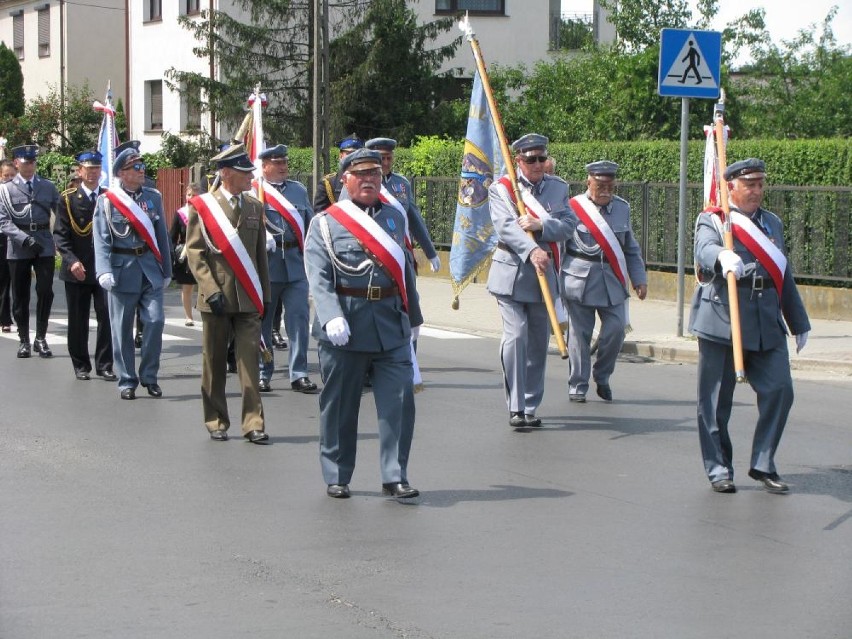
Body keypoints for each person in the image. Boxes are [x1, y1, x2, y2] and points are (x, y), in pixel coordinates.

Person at [304, 148, 423, 499]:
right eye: (362, 174)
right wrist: (331, 316)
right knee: (340, 405)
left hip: (390, 323)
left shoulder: (394, 218)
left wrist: (414, 317)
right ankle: (338, 474)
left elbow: (404, 271)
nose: (370, 179)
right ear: (346, 180)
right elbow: (318, 275)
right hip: (346, 324)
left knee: (399, 401)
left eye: (375, 173)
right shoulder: (325, 222)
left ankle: (394, 474)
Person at [689, 158, 811, 494]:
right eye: (749, 185)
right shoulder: (713, 220)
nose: (756, 191)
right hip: (723, 319)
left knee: (780, 390)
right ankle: (718, 469)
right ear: (731, 187)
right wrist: (720, 256)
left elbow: (782, 274)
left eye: (760, 184)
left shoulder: (772, 223)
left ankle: (763, 462)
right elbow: (703, 249)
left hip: (765, 320)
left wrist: (798, 321)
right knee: (714, 402)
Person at [487, 134, 574, 428]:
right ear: (518, 161)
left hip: (543, 274)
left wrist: (542, 226)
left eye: (541, 158)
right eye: (530, 159)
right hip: (511, 272)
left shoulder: (558, 188)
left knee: (537, 342)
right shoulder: (501, 190)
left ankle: (530, 404)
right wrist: (532, 249)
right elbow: (505, 228)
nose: (537, 164)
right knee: (517, 336)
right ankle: (515, 405)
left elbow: (568, 226)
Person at [185, 144, 271, 444]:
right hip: (217, 297)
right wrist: (210, 290)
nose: (250, 177)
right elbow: (195, 253)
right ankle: (216, 420)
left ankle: (253, 423)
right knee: (215, 362)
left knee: (249, 362)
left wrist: (266, 296)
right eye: (245, 172)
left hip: (247, 297)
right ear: (226, 173)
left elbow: (260, 257)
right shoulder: (202, 206)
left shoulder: (254, 206)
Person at [561, 161, 647, 403]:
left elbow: (630, 248)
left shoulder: (622, 208)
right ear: (589, 182)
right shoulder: (572, 207)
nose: (606, 190)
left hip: (611, 280)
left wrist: (639, 278)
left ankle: (602, 375)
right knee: (579, 335)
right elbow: (560, 245)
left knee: (617, 329)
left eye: (610, 185)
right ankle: (578, 384)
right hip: (579, 280)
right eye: (601, 185)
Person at [93, 146, 172, 400]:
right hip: (122, 269)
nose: (142, 171)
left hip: (150, 269)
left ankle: (149, 376)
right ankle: (127, 379)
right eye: (136, 168)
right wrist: (103, 270)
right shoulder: (107, 201)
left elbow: (162, 237)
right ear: (122, 173)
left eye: (142, 166)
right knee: (122, 328)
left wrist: (167, 270)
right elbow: (102, 239)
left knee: (155, 321)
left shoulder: (153, 197)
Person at [254, 144, 318, 394]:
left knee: (299, 320)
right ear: (265, 166)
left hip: (295, 263)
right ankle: (263, 371)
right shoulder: (254, 191)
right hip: (268, 265)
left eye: (284, 162)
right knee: (263, 323)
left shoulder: (298, 191)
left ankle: (299, 373)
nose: (283, 167)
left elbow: (310, 225)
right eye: (277, 163)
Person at [53, 150, 115, 381]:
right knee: (77, 320)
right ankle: (80, 364)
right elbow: (60, 235)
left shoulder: (109, 197)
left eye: (96, 169)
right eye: (88, 169)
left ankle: (105, 364)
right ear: (80, 171)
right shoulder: (68, 198)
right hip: (76, 270)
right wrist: (71, 261)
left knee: (106, 317)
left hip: (102, 270)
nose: (92, 174)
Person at [0, 145, 60, 358]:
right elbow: (3, 221)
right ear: (16, 163)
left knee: (45, 290)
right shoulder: (6, 189)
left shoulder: (47, 186)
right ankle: (24, 340)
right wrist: (24, 239)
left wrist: (60, 240)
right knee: (20, 295)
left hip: (44, 242)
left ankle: (41, 338)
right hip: (18, 246)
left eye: (33, 162)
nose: (30, 165)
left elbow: (60, 214)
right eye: (25, 162)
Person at [365, 137, 441, 274]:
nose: (386, 163)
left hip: (401, 253)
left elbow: (415, 220)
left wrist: (430, 252)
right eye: (382, 158)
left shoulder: (401, 184)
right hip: (373, 255)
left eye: (389, 158)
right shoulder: (361, 184)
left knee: (410, 295)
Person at [170, 183, 200, 326]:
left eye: (194, 195)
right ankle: (189, 316)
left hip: (202, 253)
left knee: (206, 286)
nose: (191, 198)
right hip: (186, 254)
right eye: (189, 195)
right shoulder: (180, 213)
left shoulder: (206, 213)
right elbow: (172, 236)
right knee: (187, 287)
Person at [313, 133, 363, 213]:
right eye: (349, 154)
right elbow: (320, 216)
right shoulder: (328, 183)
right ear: (340, 156)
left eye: (357, 154)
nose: (353, 158)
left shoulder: (367, 180)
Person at [0, 159, 17, 333]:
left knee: (16, 282)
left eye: (12, 175)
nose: (9, 178)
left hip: (16, 239)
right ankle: (4, 318)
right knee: (3, 281)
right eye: (6, 175)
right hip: (1, 239)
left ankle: (12, 316)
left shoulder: (20, 191)